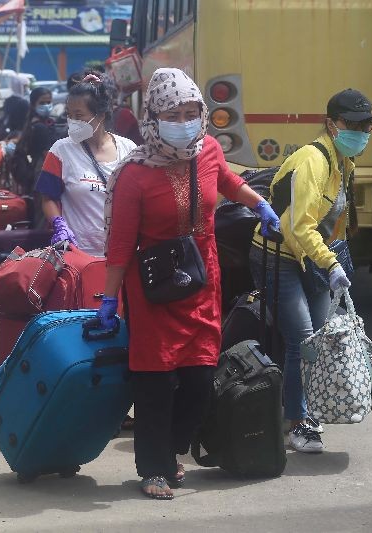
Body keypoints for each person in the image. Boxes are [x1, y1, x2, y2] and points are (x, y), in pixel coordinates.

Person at [96, 68, 280, 500]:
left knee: (199, 379)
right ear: (153, 117)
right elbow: (120, 245)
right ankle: (153, 467)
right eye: (173, 113)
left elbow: (228, 182)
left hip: (202, 279)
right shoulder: (133, 174)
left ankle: (174, 448)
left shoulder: (209, 149)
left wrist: (260, 203)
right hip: (154, 289)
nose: (184, 120)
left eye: (191, 111)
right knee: (156, 384)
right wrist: (109, 298)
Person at [247, 89, 372, 454]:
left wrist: (334, 257)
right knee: (303, 339)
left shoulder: (343, 161)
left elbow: (332, 221)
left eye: (366, 125)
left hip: (313, 257)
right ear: (332, 124)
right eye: (352, 124)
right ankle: (298, 422)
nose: (361, 132)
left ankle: (308, 413)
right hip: (278, 255)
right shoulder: (313, 161)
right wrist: (331, 264)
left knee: (318, 340)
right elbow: (299, 227)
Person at [35, 74, 136, 257]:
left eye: (79, 116)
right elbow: (47, 198)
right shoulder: (60, 151)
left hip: (122, 255)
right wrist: (59, 224)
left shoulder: (128, 149)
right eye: (69, 115)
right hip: (78, 255)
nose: (72, 121)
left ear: (101, 115)